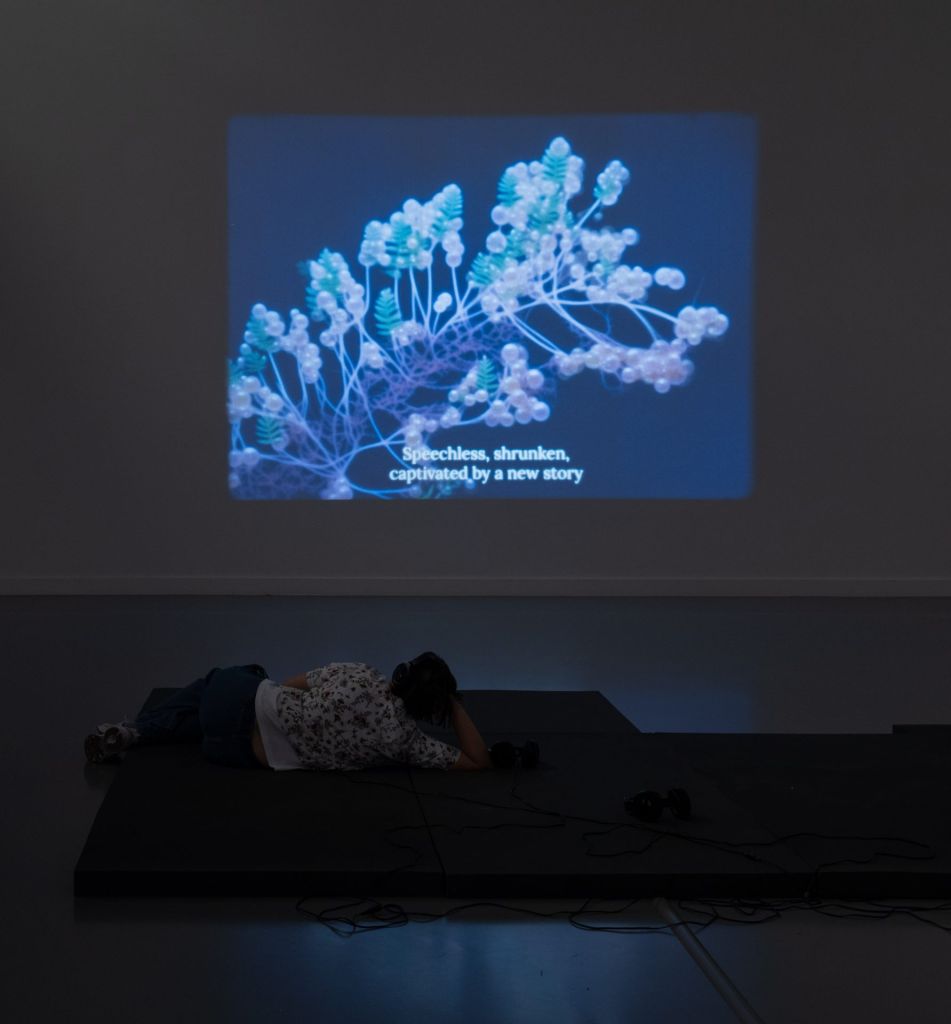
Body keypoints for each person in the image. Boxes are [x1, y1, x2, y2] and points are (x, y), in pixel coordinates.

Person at [84, 652, 492, 772]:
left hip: (243, 701)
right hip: (240, 754)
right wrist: (453, 702)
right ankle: (139, 733)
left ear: (402, 673)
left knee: (227, 680)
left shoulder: (361, 673)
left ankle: (135, 731)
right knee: (200, 729)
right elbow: (478, 761)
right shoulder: (405, 742)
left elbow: (293, 682)